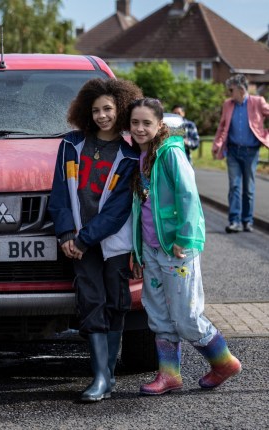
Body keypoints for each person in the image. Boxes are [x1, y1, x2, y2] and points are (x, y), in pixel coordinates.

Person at [130, 97, 242, 396]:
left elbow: (189, 195)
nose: (140, 129)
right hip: (152, 249)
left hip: (177, 247)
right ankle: (169, 375)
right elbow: (140, 208)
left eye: (146, 123)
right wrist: (138, 250)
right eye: (135, 123)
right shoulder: (140, 156)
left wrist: (185, 237)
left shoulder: (170, 154)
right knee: (158, 314)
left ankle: (224, 362)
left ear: (160, 125)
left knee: (187, 316)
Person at [48, 78, 142, 402]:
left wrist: (84, 239)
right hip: (77, 242)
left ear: (120, 110)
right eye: (97, 110)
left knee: (117, 302)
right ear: (87, 112)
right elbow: (59, 194)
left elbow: (117, 211)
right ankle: (100, 377)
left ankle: (111, 374)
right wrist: (65, 234)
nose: (102, 115)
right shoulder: (71, 145)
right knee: (91, 301)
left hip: (112, 242)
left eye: (108, 109)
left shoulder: (130, 156)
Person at [212, 74, 269, 233]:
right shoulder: (228, 104)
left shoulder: (257, 102)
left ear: (241, 90)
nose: (229, 93)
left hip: (251, 152)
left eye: (232, 90)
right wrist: (217, 144)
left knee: (248, 188)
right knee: (235, 186)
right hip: (233, 151)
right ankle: (234, 221)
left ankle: (247, 221)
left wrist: (266, 135)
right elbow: (222, 126)